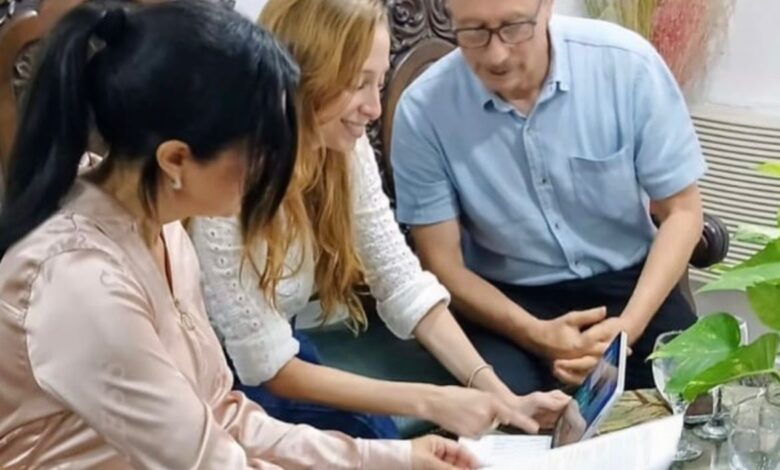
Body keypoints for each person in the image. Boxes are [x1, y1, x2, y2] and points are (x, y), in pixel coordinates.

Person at [0, 1, 476, 468]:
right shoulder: (81, 281)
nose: (279, 168)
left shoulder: (164, 227)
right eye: (264, 149)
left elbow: (223, 412)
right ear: (176, 160)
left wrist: (395, 458)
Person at [189, 0, 568, 441]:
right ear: (302, 75)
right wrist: (432, 399)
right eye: (358, 84)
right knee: (375, 437)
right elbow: (267, 367)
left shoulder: (341, 150)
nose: (375, 108)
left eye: (381, 82)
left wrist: (500, 395)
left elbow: (401, 281)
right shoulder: (228, 173)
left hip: (283, 354)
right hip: (214, 377)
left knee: (380, 437)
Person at [390, 0, 705, 392]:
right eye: (473, 31)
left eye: (513, 27)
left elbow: (682, 212)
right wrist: (534, 333)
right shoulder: (424, 110)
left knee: (700, 400)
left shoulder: (627, 66)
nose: (496, 54)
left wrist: (628, 327)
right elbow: (443, 264)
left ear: (548, 8)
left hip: (631, 286)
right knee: (510, 416)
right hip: (506, 300)